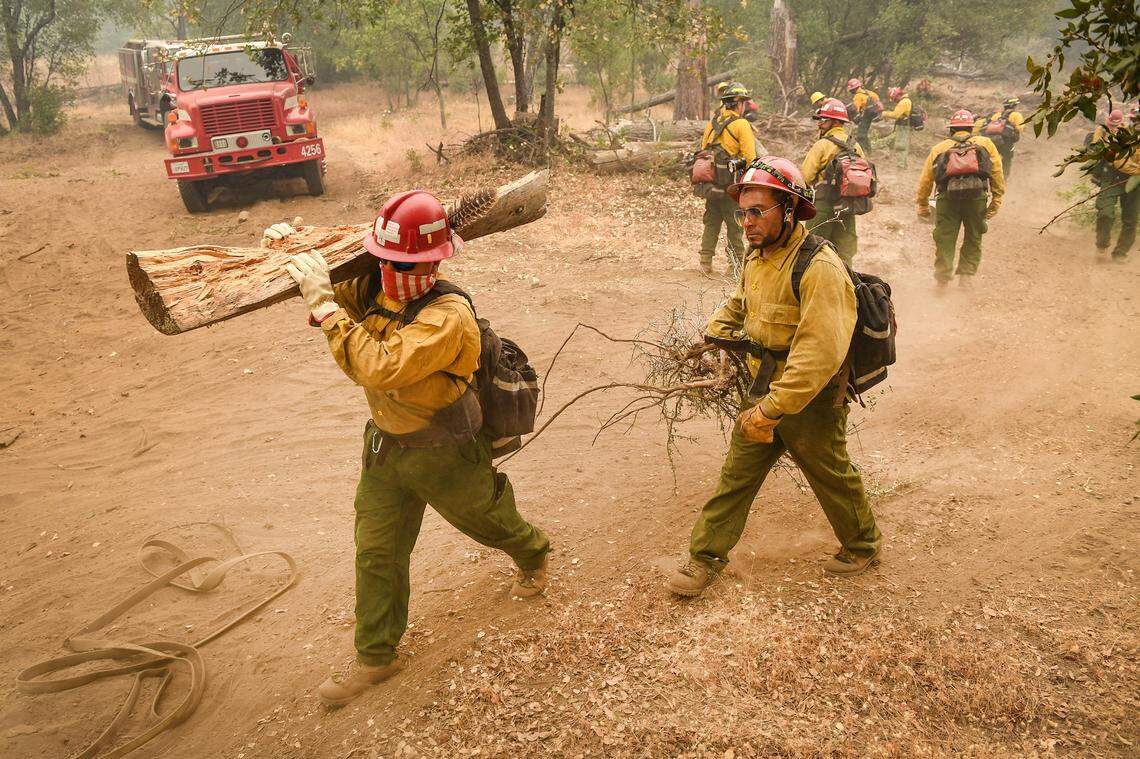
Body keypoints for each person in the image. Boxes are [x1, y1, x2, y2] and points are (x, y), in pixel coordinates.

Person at [267, 191, 551, 707]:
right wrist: (289, 248)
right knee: (377, 551)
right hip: (386, 449)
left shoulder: (447, 318)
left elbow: (377, 365)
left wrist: (326, 308)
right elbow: (325, 287)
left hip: (444, 449)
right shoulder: (377, 283)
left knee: (488, 521)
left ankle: (533, 553)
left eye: (413, 264)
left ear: (439, 260)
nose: (399, 274)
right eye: (391, 261)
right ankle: (376, 657)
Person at [667, 155, 883, 598]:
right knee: (736, 476)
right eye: (742, 212)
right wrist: (713, 334)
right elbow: (739, 303)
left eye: (757, 212)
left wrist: (772, 409)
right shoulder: (758, 255)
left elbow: (819, 354)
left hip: (811, 400)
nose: (746, 222)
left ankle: (862, 545)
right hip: (763, 387)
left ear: (789, 210)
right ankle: (704, 558)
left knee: (830, 473)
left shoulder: (819, 268)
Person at [915, 109, 1006, 287]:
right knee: (973, 236)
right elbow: (997, 172)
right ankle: (966, 277)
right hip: (976, 198)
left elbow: (926, 180)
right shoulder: (985, 143)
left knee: (945, 238)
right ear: (971, 128)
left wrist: (923, 205)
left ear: (952, 129)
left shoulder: (939, 148)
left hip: (947, 199)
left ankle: (942, 280)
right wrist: (996, 200)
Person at [697, 81, 758, 274]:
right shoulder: (742, 124)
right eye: (744, 103)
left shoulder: (711, 124)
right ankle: (736, 265)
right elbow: (750, 157)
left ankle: (705, 262)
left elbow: (703, 149)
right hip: (731, 185)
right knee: (735, 225)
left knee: (711, 222)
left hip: (711, 184)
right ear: (738, 103)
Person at [801, 97, 866, 263]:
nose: (819, 124)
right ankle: (847, 285)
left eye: (823, 120)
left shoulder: (822, 145)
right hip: (847, 205)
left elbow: (806, 177)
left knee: (814, 251)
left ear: (835, 122)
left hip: (823, 206)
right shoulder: (856, 145)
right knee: (845, 252)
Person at [1089, 109, 1139, 261]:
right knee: (1105, 212)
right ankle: (1102, 244)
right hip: (1113, 176)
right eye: (1136, 120)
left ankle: (1120, 253)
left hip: (1136, 182)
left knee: (1130, 220)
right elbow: (1119, 161)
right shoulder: (1120, 134)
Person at [974, 97, 1025, 177]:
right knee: (1007, 161)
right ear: (1014, 106)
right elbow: (1020, 128)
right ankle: (1004, 178)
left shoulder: (997, 115)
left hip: (993, 141)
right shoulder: (1016, 115)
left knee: (993, 159)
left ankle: (991, 175)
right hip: (1007, 143)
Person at [846, 78, 882, 156]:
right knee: (864, 133)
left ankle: (862, 152)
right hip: (871, 116)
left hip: (864, 117)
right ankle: (869, 151)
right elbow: (878, 102)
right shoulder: (870, 92)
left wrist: (854, 118)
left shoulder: (857, 96)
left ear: (853, 89)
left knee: (861, 135)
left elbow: (856, 109)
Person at [881, 86, 913, 169]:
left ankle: (901, 166)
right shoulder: (906, 100)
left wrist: (885, 113)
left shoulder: (903, 102)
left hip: (903, 126)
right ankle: (903, 165)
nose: (894, 101)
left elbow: (895, 115)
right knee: (903, 145)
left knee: (900, 146)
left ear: (896, 95)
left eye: (894, 98)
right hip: (905, 125)